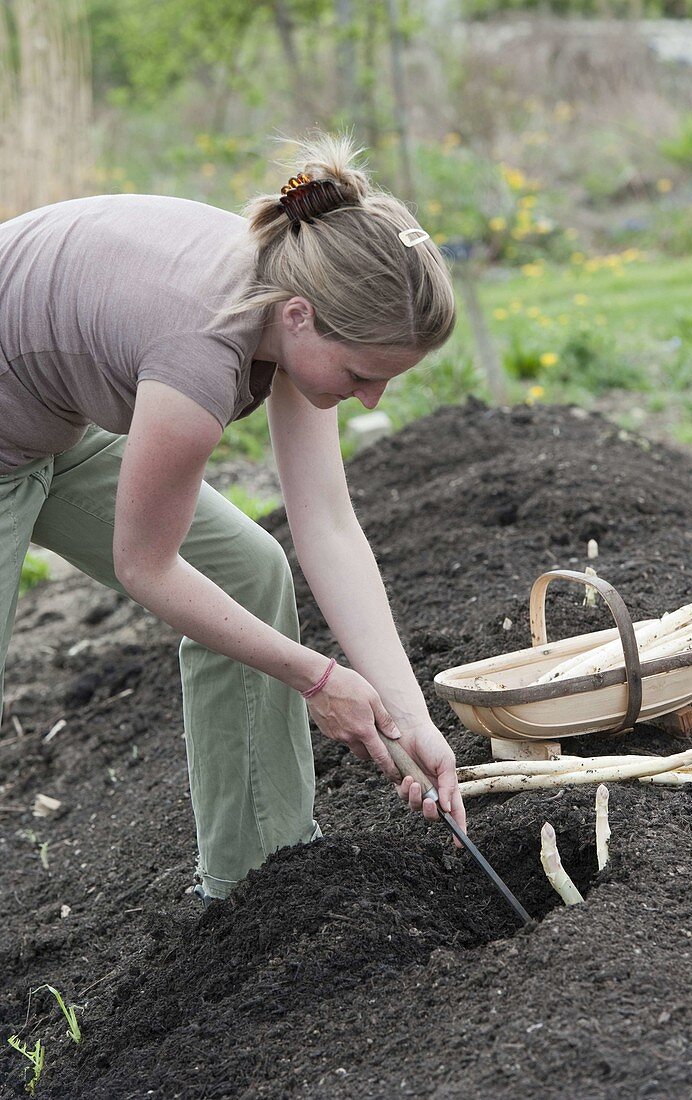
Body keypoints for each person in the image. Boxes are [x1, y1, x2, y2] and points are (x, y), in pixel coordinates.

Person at [0, 132, 466, 904]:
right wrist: (317, 677)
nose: (371, 399)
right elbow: (143, 565)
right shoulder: (201, 352)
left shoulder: (285, 302)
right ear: (301, 317)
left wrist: (408, 717)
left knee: (248, 572)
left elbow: (328, 524)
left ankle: (260, 887)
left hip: (47, 413)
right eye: (362, 375)